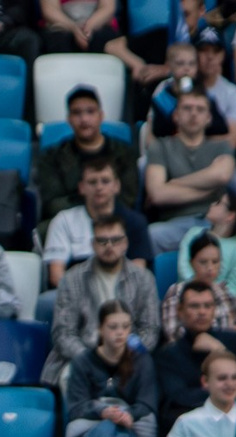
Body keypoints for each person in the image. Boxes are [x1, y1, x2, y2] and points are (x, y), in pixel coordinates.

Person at [44, 222, 159, 386]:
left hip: (129, 356)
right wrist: (91, 359)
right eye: (102, 241)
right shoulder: (72, 278)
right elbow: (63, 333)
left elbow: (150, 329)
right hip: (82, 356)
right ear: (92, 244)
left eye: (115, 240)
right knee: (69, 376)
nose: (109, 246)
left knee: (146, 374)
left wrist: (126, 355)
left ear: (125, 243)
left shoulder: (143, 278)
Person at [43, 157, 157, 300]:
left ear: (117, 186)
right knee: (46, 301)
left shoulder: (135, 222)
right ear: (81, 187)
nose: (99, 187)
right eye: (92, 182)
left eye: (105, 181)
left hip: (121, 297)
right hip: (75, 295)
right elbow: (56, 274)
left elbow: (138, 271)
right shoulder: (63, 220)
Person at [65, 302, 162, 437]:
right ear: (100, 328)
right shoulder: (82, 362)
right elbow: (76, 407)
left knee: (119, 431)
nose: (120, 333)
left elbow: (147, 404)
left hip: (132, 423)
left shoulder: (142, 361)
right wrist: (103, 412)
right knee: (107, 430)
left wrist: (125, 415)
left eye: (126, 327)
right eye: (113, 327)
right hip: (93, 423)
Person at [145, 89, 236, 255]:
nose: (193, 114)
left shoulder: (221, 146)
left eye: (200, 109)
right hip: (176, 224)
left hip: (216, 222)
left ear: (209, 118)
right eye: (187, 108)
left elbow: (222, 175)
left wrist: (174, 183)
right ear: (176, 115)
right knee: (152, 235)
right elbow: (158, 195)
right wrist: (209, 190)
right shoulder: (160, 146)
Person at [35, 84, 142, 222]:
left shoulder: (124, 153)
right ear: (69, 119)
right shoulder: (52, 157)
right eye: (77, 113)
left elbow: (128, 198)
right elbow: (52, 204)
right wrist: (95, 206)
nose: (84, 119)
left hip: (114, 221)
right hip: (68, 223)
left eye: (90, 112)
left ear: (101, 115)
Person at [153, 278, 236, 417]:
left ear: (214, 310)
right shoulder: (168, 355)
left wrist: (221, 351)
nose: (202, 312)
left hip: (235, 418)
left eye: (208, 306)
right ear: (180, 311)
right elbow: (178, 397)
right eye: (194, 306)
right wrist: (224, 394)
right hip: (191, 421)